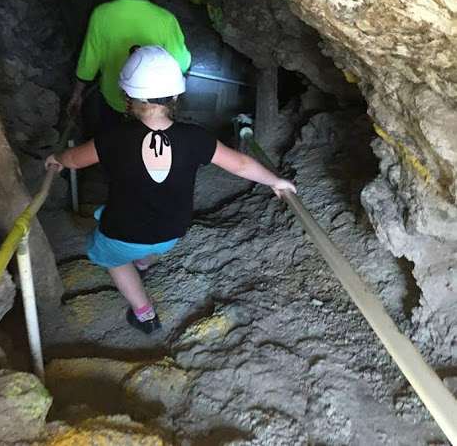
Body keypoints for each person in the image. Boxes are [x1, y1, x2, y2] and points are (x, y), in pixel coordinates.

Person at [47, 46, 296, 334]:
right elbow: (240, 164)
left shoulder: (112, 138)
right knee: (147, 237)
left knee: (108, 255)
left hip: (123, 232)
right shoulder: (196, 137)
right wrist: (275, 181)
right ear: (176, 96)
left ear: (127, 96)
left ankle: (145, 314)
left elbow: (74, 159)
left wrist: (58, 159)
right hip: (171, 233)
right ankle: (143, 262)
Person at [66, 0, 191, 128]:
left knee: (112, 142)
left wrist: (76, 95)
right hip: (149, 108)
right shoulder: (165, 20)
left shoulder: (101, 14)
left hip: (113, 100)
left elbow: (87, 65)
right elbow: (181, 64)